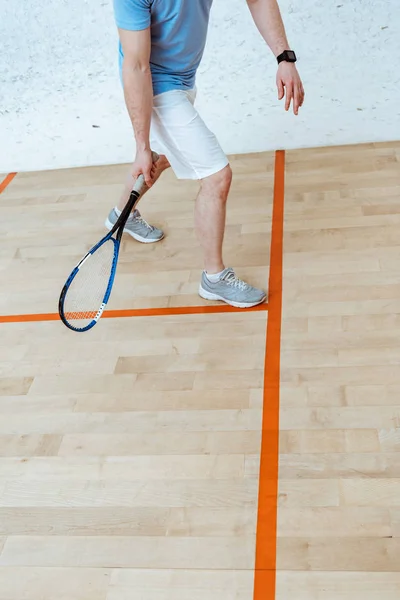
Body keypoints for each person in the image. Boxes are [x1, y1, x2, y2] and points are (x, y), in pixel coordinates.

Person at [107, 0, 304, 308]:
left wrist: (284, 58)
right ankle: (214, 278)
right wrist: (141, 144)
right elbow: (135, 66)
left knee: (170, 153)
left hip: (184, 80)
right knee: (216, 177)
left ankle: (121, 215)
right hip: (155, 86)